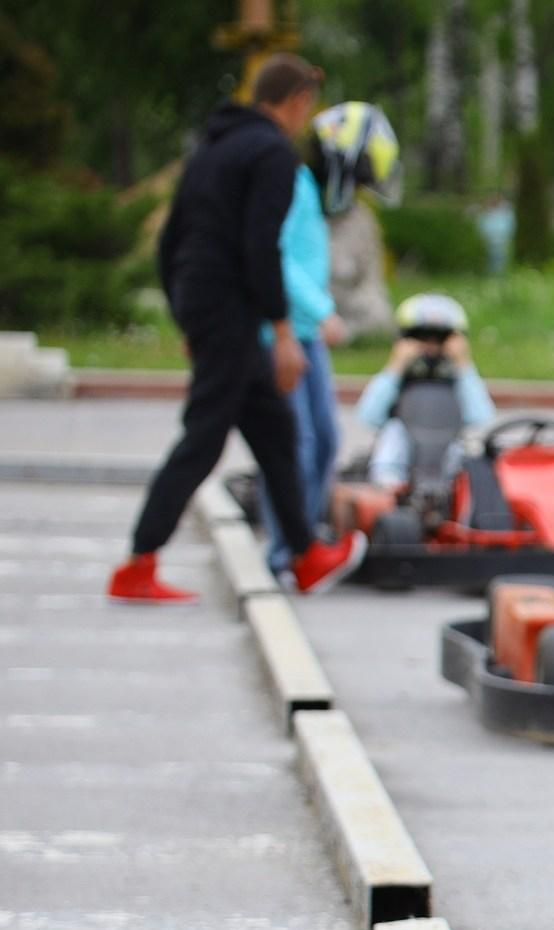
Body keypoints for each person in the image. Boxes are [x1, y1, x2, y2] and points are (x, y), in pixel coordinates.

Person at [109, 54, 367, 604]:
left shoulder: (212, 148)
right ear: (296, 100)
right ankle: (137, 563)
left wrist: (187, 314)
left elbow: (171, 240)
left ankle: (305, 555)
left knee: (276, 433)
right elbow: (260, 245)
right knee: (204, 439)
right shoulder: (271, 153)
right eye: (307, 106)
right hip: (232, 312)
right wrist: (283, 331)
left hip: (211, 306)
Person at [255, 101, 396, 578]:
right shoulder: (293, 188)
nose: (356, 192)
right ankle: (286, 553)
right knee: (295, 444)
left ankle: (303, 541)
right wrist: (322, 311)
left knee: (324, 440)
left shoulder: (312, 196)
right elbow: (274, 256)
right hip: (282, 332)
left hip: (306, 332)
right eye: (358, 178)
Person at [332, 293, 496, 528]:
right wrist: (395, 367)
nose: (430, 346)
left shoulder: (460, 381)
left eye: (439, 339)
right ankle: (389, 498)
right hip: (404, 460)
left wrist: (464, 365)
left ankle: (462, 515)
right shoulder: (396, 381)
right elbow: (368, 416)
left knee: (469, 456)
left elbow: (480, 418)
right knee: (394, 433)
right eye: (421, 338)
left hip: (445, 459)